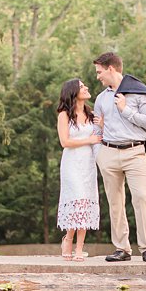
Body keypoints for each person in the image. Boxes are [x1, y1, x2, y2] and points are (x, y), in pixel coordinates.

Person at [91, 51, 146, 263]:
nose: (98, 77)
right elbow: (97, 129)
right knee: (115, 203)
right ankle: (122, 249)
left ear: (111, 69)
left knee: (141, 198)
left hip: (134, 153)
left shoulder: (140, 93)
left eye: (99, 72)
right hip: (108, 153)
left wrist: (125, 110)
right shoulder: (101, 98)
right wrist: (99, 155)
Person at [54, 77, 102, 261]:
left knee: (85, 203)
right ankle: (68, 238)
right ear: (73, 92)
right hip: (72, 164)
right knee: (77, 200)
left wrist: (101, 127)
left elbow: (99, 136)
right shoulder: (64, 115)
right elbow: (64, 142)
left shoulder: (91, 115)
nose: (86, 87)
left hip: (88, 164)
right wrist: (87, 140)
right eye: (82, 86)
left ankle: (79, 248)